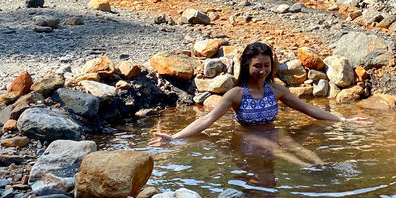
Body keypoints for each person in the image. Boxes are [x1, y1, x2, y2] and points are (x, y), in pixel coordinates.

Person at [148, 41, 366, 151]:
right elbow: (207, 119)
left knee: (309, 157)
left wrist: (344, 120)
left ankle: (318, 167)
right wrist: (175, 138)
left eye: (267, 66)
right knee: (286, 155)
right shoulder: (236, 94)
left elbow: (309, 110)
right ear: (246, 66)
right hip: (246, 139)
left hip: (273, 135)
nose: (263, 71)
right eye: (257, 66)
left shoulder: (277, 90)